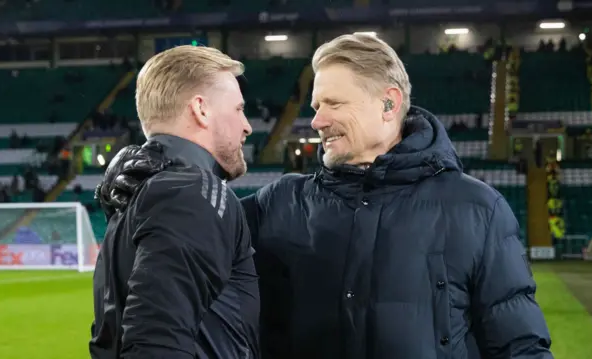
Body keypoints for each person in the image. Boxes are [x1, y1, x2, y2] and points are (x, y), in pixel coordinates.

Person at [98, 35, 553, 358]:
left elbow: (521, 345)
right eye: (316, 106)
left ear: (389, 103)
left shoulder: (477, 209)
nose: (316, 121)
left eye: (333, 104)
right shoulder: (279, 204)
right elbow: (184, 235)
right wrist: (146, 165)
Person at [89, 45, 260, 359]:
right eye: (238, 109)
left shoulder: (136, 193)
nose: (247, 125)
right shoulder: (191, 192)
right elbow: (157, 343)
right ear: (201, 109)